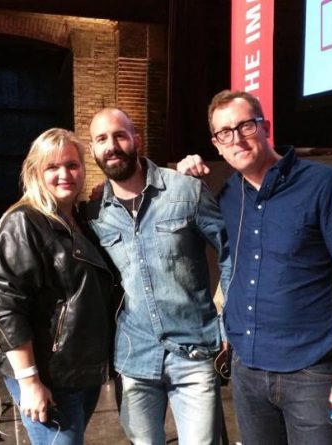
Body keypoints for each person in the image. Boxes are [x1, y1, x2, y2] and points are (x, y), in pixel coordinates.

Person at [177, 90, 332, 445]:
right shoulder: (228, 197)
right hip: (247, 371)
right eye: (225, 133)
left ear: (265, 127)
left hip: (313, 373)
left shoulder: (323, 185)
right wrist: (183, 181)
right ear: (217, 145)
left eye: (245, 126)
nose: (237, 139)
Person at [85, 107, 230, 445]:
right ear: (92, 149)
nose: (111, 145)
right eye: (101, 139)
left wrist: (226, 320)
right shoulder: (94, 212)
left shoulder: (186, 190)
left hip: (194, 353)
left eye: (120, 135)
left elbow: (231, 253)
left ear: (136, 139)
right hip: (134, 357)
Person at [0, 128, 116, 445]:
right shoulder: (23, 222)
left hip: (78, 367)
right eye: (52, 167)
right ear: (35, 172)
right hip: (46, 371)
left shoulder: (79, 221)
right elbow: (5, 307)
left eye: (72, 165)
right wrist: (29, 381)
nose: (64, 174)